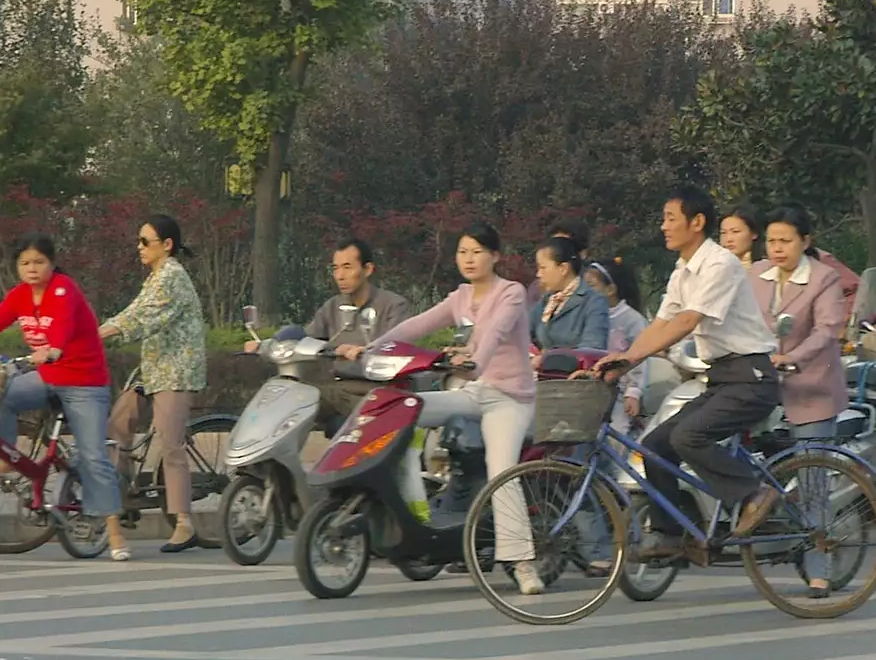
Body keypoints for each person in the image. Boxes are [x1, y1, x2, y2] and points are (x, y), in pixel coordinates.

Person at [339, 224, 543, 594]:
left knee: (501, 471)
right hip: (474, 390)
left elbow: (495, 332)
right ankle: (413, 512)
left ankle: (522, 561)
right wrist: (370, 349)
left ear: (495, 257)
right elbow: (417, 325)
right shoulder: (460, 297)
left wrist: (475, 362)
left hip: (511, 399)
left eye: (478, 252)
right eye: (463, 252)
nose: (469, 259)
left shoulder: (510, 293)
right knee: (401, 409)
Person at [591, 187, 781, 564]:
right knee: (654, 444)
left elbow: (687, 321)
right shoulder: (683, 270)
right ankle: (669, 534)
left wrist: (631, 358)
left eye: (670, 219)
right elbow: (661, 322)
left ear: (697, 223)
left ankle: (753, 492)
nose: (663, 227)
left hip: (752, 377)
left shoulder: (719, 265)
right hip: (722, 378)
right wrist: (625, 360)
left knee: (687, 436)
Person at [0, 234, 128, 560]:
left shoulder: (63, 289)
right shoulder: (20, 295)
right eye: (25, 263)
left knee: (92, 456)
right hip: (46, 376)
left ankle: (115, 534)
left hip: (84, 382)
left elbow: (61, 324)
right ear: (17, 267)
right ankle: (6, 458)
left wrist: (53, 349)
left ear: (52, 262)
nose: (32, 269)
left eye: (39, 262)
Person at [750, 203, 848, 597]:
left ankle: (819, 567)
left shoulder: (824, 279)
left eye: (785, 241)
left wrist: (792, 357)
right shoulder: (755, 274)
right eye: (771, 240)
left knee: (813, 479)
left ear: (805, 242)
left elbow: (827, 330)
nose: (777, 248)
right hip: (760, 382)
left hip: (811, 385)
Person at [99, 214, 208, 555]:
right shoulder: (155, 278)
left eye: (145, 241)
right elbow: (132, 311)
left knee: (169, 441)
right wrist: (100, 330)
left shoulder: (172, 276)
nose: (139, 247)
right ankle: (122, 498)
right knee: (118, 422)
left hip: (176, 371)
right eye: (139, 241)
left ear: (167, 245)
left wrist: (101, 332)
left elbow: (142, 318)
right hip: (152, 369)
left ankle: (184, 523)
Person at [245, 238, 412, 432]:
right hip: (341, 387)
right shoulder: (333, 306)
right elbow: (306, 338)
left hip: (378, 390)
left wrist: (363, 351)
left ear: (368, 269)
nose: (340, 275)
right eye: (336, 268)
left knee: (305, 396)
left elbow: (395, 348)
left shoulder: (394, 305)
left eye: (347, 267)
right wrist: (268, 344)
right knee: (281, 394)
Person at [585, 258, 647, 433]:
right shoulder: (589, 316)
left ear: (611, 290)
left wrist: (633, 392)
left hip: (620, 391)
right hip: (591, 388)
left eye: (591, 286)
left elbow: (640, 357)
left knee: (614, 436)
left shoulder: (632, 320)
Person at [531, 237, 611, 353]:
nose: (538, 274)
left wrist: (546, 359)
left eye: (543, 268)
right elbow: (521, 333)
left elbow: (593, 348)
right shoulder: (547, 301)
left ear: (563, 268)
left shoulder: (594, 301)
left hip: (575, 370)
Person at [720, 205, 762, 269]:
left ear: (754, 233)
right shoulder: (712, 267)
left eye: (735, 231)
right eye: (723, 233)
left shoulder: (767, 267)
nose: (728, 239)